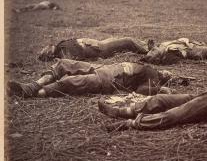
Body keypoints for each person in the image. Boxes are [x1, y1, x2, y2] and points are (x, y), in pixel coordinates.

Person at [7, 59, 176, 98]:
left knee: (68, 83)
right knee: (64, 63)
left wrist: (159, 89)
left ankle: (34, 93)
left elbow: (141, 92)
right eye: (169, 72)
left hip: (107, 82)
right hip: (103, 69)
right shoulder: (149, 68)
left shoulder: (154, 81)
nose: (168, 73)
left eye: (169, 77)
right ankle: (33, 85)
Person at [38, 37, 150, 61]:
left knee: (122, 39)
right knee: (127, 41)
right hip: (100, 48)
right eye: (46, 50)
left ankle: (145, 45)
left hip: (97, 43)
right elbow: (78, 61)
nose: (48, 46)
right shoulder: (64, 53)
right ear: (50, 54)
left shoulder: (61, 46)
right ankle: (148, 52)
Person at [141, 38, 207, 64]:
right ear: (158, 56)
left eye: (151, 50)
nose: (153, 49)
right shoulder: (168, 54)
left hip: (190, 44)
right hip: (193, 50)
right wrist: (202, 63)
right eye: (153, 51)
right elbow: (184, 60)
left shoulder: (162, 45)